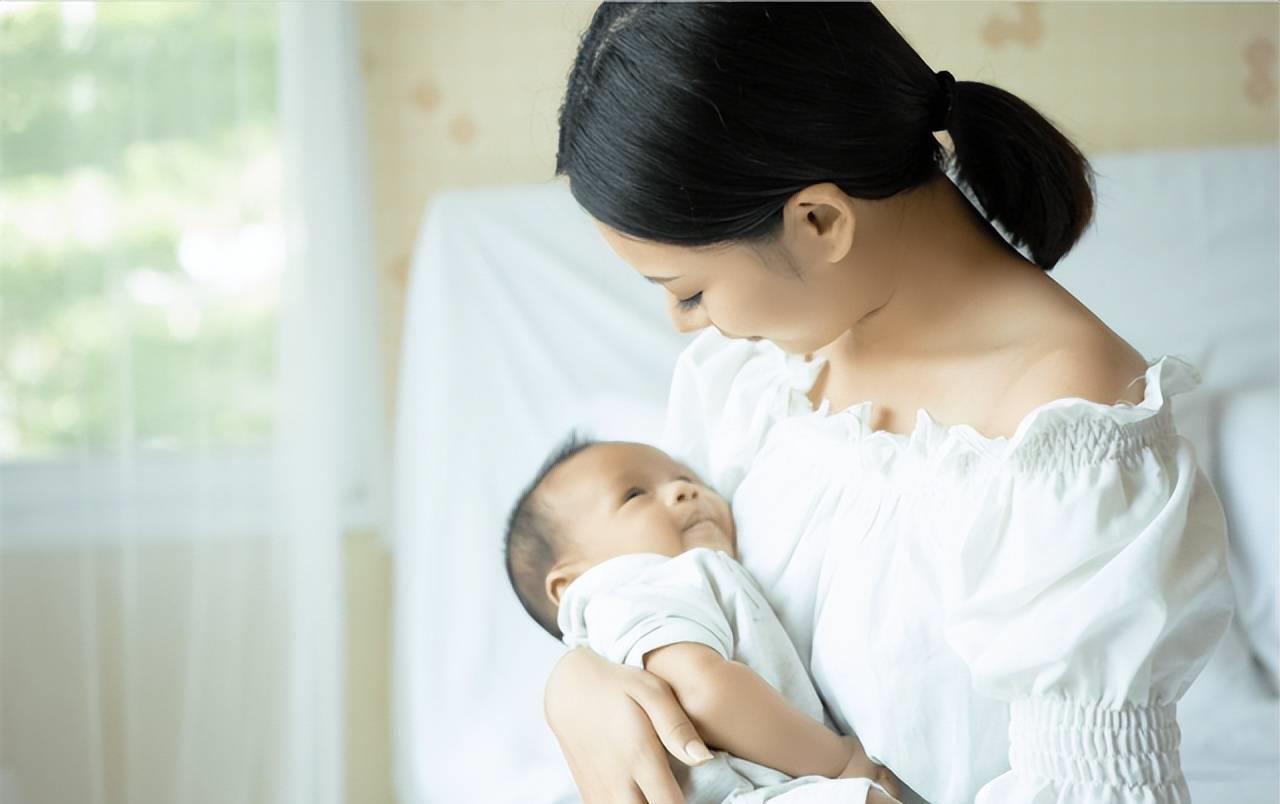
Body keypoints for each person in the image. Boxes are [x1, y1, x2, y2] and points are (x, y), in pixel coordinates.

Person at [543, 4, 1234, 804]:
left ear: (818, 221)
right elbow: (660, 587)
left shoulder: (1066, 442)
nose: (684, 323)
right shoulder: (758, 381)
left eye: (690, 290)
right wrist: (577, 680)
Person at [504, 436, 903, 804]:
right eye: (634, 494)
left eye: (685, 478)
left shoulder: (626, 624)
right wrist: (838, 760)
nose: (684, 489)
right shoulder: (638, 585)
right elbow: (703, 692)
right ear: (570, 582)